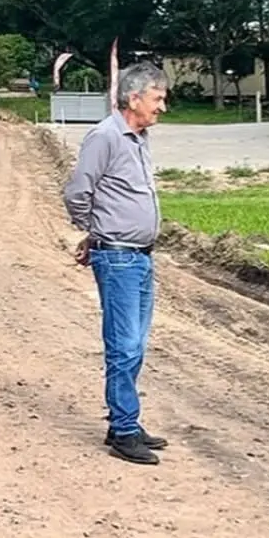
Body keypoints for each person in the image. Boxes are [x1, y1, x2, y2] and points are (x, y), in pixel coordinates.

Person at [63, 60, 170, 466]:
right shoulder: (105, 137)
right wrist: (99, 234)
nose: (162, 106)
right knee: (123, 346)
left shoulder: (138, 138)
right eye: (158, 98)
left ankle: (124, 420)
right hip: (120, 257)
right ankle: (124, 430)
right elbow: (78, 193)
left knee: (136, 344)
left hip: (140, 258)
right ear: (134, 97)